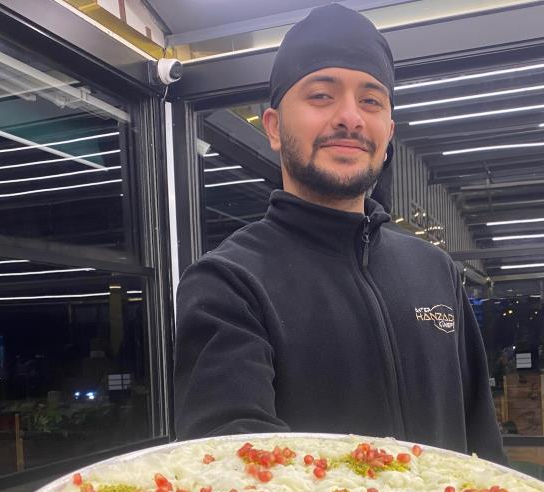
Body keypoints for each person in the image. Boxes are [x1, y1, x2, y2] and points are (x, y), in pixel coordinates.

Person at [173, 3, 506, 464]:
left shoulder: (434, 270)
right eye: (321, 96)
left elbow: (482, 443)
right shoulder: (228, 282)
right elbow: (232, 460)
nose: (350, 117)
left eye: (370, 101)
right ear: (274, 127)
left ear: (388, 132)